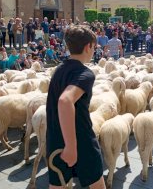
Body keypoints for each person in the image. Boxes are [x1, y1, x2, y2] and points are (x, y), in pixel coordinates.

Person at [46, 26, 105, 189]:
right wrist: (71, 146)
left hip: (55, 140)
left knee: (57, 185)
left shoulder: (58, 70)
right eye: (94, 47)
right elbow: (65, 101)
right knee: (97, 185)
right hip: (81, 142)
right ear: (88, 47)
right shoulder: (85, 74)